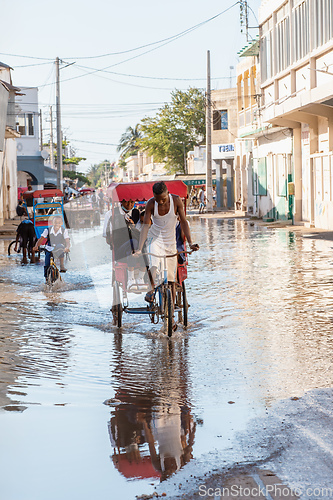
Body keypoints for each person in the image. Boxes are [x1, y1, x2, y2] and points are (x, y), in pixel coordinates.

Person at [134, 181, 199, 329]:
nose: (161, 202)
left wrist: (190, 243)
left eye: (163, 199)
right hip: (154, 239)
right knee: (154, 265)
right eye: (158, 199)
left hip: (170, 243)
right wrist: (139, 248)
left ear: (167, 193)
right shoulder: (151, 203)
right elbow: (145, 226)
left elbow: (183, 221)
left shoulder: (176, 201)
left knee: (171, 280)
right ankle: (150, 290)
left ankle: (171, 315)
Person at [103, 200, 144, 289]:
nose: (129, 205)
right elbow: (108, 239)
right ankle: (131, 279)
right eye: (126, 202)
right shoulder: (111, 214)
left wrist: (133, 227)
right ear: (121, 201)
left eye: (132, 202)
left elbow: (142, 233)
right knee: (133, 243)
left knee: (142, 245)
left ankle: (140, 278)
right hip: (120, 251)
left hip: (136, 249)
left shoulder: (137, 214)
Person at [33, 215, 70, 281]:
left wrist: (67, 247)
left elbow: (67, 241)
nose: (57, 224)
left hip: (59, 248)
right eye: (55, 222)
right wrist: (36, 246)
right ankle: (46, 279)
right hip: (49, 247)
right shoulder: (47, 230)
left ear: (61, 223)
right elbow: (41, 239)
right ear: (52, 223)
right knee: (47, 264)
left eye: (59, 223)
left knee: (61, 247)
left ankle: (62, 266)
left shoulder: (64, 231)